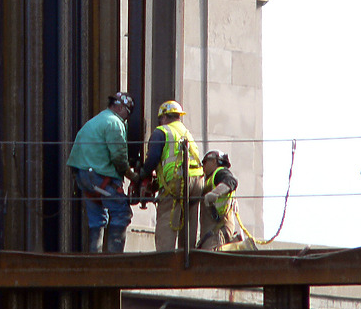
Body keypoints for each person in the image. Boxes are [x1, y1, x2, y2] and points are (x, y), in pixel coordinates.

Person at [67, 92, 140, 252]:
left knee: (97, 219)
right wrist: (132, 176)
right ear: (121, 108)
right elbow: (119, 157)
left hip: (85, 178)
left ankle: (95, 257)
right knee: (121, 212)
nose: (127, 118)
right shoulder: (114, 123)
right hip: (99, 178)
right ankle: (113, 259)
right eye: (127, 113)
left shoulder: (96, 120)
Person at [136, 100, 204, 251]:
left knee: (167, 220)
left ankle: (165, 258)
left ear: (164, 117)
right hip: (197, 181)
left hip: (177, 181)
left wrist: (142, 174)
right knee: (189, 222)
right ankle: (187, 255)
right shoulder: (186, 132)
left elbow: (153, 158)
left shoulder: (162, 131)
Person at [197, 150, 240, 250]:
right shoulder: (210, 179)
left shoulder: (220, 172)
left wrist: (215, 193)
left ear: (214, 161)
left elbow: (231, 181)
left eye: (205, 162)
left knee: (210, 256)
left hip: (219, 228)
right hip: (212, 229)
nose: (203, 166)